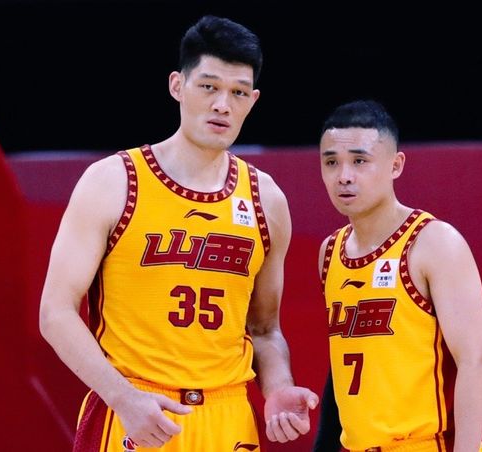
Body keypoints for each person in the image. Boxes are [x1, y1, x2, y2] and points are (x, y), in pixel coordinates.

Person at [39, 15, 318, 451]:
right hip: (136, 410)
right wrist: (122, 398)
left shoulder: (266, 199)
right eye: (209, 87)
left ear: (253, 100)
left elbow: (265, 329)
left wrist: (278, 387)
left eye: (238, 93)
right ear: (177, 86)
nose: (223, 105)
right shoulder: (113, 181)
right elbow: (55, 312)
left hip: (228, 418)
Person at [313, 100, 482, 452]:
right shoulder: (330, 252)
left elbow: (475, 364)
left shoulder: (434, 242)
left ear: (395, 165)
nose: (344, 176)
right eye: (331, 162)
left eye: (359, 161)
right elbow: (344, 370)